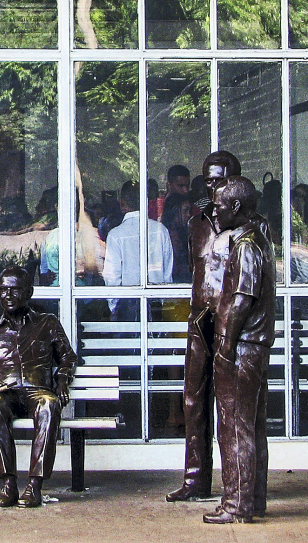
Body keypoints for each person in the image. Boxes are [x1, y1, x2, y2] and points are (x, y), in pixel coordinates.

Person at [167, 150, 243, 503]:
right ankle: (195, 480)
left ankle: (236, 485)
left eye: (219, 180)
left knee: (232, 406)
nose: (212, 187)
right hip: (200, 319)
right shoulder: (195, 223)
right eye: (208, 180)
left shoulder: (249, 224)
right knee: (193, 399)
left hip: (233, 322)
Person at [0, 267, 77, 508]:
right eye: (3, 290)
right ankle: (8, 484)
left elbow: (68, 357)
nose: (8, 295)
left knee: (49, 404)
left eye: (15, 290)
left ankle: (35, 485)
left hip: (38, 392)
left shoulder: (47, 323)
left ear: (29, 292)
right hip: (6, 394)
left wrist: (61, 381)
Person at [204, 176, 275, 524]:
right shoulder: (258, 240)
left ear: (235, 207)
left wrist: (226, 345)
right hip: (253, 348)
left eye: (218, 204)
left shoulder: (247, 245)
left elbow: (241, 300)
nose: (213, 210)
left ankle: (237, 504)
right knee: (250, 426)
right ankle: (253, 500)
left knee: (234, 426)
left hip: (242, 348)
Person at [103, 180, 173, 287]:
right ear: (147, 201)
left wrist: (115, 303)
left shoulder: (115, 235)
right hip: (157, 299)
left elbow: (112, 277)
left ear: (122, 202)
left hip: (128, 300)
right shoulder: (160, 230)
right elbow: (167, 273)